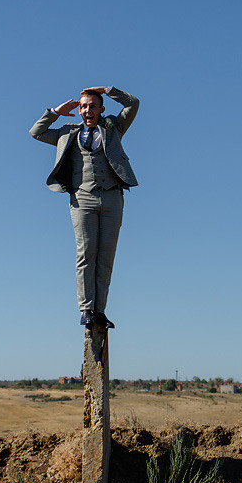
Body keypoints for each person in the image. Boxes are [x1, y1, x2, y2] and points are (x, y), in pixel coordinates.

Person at [30, 86, 139, 328]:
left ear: (101, 109)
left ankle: (100, 311)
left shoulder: (113, 127)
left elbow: (132, 103)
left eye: (92, 105)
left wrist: (106, 89)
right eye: (83, 106)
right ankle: (86, 309)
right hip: (82, 199)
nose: (87, 110)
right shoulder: (67, 132)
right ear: (79, 110)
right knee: (86, 254)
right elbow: (36, 132)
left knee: (106, 257)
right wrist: (56, 112)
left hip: (112, 198)